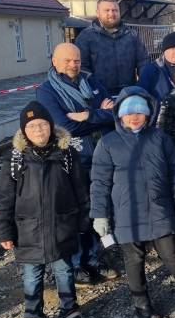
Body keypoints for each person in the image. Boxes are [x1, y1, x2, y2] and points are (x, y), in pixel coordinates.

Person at [90, 86, 175, 318]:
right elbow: (100, 182)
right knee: (134, 260)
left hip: (160, 209)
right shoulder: (108, 143)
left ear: (148, 113)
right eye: (128, 112)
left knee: (172, 254)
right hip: (127, 212)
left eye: (139, 112)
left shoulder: (160, 139)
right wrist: (100, 215)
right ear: (120, 115)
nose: (134, 117)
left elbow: (174, 173)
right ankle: (141, 303)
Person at [0, 102, 91, 318]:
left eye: (43, 124)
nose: (38, 130)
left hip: (62, 225)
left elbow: (81, 190)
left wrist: (83, 221)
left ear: (51, 126)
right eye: (32, 126)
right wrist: (4, 231)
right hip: (27, 230)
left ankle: (70, 309)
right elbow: (4, 198)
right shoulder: (15, 159)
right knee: (31, 277)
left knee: (64, 270)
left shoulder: (67, 154)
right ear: (24, 131)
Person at [36, 42, 117, 286]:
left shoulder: (91, 81)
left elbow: (115, 114)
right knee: (76, 214)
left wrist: (87, 115)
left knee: (98, 209)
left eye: (77, 60)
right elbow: (64, 127)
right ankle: (76, 264)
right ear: (55, 62)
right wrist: (99, 115)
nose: (73, 65)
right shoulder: (47, 91)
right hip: (71, 161)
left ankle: (95, 258)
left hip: (100, 156)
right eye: (68, 60)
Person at [74, 0, 150, 96]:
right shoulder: (86, 37)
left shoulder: (132, 35)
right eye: (107, 10)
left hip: (129, 94)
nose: (111, 14)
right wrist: (95, 91)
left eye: (115, 10)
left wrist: (141, 87)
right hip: (99, 95)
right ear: (98, 13)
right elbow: (82, 68)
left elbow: (143, 62)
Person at [138, 32, 175, 105]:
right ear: (164, 51)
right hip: (159, 110)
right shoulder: (150, 70)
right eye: (172, 48)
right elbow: (141, 94)